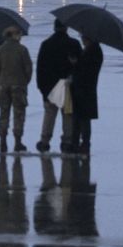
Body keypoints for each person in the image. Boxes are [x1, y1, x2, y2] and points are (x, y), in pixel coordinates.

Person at [34, 20, 82, 153]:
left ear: (54, 28)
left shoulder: (46, 44)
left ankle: (45, 141)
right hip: (67, 84)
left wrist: (41, 88)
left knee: (49, 114)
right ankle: (67, 141)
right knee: (67, 114)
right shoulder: (74, 44)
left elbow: (40, 68)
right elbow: (80, 66)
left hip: (50, 86)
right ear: (66, 28)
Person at [0, 25, 33, 153]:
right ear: (13, 35)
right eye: (18, 34)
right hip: (19, 85)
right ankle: (18, 141)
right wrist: (25, 81)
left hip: (3, 85)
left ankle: (3, 140)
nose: (20, 36)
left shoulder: (0, 49)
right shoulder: (22, 50)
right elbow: (28, 68)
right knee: (19, 113)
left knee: (4, 113)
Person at [70, 34, 103, 156]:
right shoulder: (94, 51)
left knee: (82, 118)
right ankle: (81, 143)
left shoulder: (92, 52)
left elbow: (84, 70)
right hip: (87, 89)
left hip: (84, 89)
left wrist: (75, 63)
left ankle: (83, 144)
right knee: (82, 118)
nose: (82, 40)